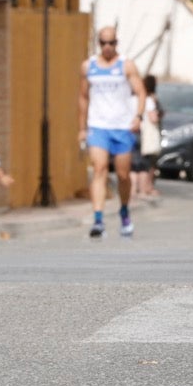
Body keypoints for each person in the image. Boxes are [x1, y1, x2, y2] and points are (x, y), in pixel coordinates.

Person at [78, 27, 147, 239]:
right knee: (99, 169)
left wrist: (138, 116)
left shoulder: (126, 65)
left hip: (122, 126)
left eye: (111, 43)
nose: (107, 47)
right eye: (103, 43)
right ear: (99, 43)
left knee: (123, 175)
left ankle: (124, 211)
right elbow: (83, 97)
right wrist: (82, 128)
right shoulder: (88, 66)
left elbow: (141, 92)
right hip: (98, 126)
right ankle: (98, 219)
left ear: (117, 43)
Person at [131, 74, 162, 205]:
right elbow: (153, 118)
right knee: (143, 165)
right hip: (142, 134)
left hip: (129, 132)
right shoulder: (147, 100)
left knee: (131, 166)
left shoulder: (129, 99)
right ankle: (143, 191)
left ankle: (132, 191)